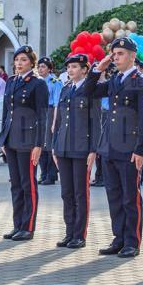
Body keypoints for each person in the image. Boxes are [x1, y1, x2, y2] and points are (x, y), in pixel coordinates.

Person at [85, 37, 143, 258]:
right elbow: (88, 92)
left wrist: (141, 150)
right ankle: (119, 238)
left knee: (130, 197)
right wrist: (98, 69)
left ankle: (132, 241)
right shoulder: (115, 79)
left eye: (120, 53)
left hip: (130, 148)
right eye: (113, 54)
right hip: (110, 147)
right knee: (114, 196)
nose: (116, 57)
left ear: (133, 56)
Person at [0, 45, 49, 242]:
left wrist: (39, 144)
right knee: (16, 184)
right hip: (11, 138)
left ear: (32, 63)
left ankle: (28, 227)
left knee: (28, 184)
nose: (19, 63)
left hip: (28, 141)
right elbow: (6, 112)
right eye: (17, 60)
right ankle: (17, 224)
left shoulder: (38, 84)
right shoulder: (11, 81)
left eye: (23, 60)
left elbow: (43, 116)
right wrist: (3, 136)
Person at [52, 53, 98, 249]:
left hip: (81, 148)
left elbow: (96, 122)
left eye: (75, 67)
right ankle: (69, 232)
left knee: (81, 193)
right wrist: (55, 145)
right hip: (63, 147)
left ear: (85, 69)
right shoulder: (65, 89)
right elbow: (59, 121)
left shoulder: (90, 90)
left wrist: (93, 149)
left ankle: (79, 235)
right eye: (68, 67)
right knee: (66, 192)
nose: (70, 70)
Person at [38, 57, 63, 185]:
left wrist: (54, 122)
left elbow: (57, 103)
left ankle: (51, 175)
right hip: (40, 112)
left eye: (43, 66)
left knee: (49, 145)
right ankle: (43, 173)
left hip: (51, 111)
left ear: (49, 68)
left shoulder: (55, 81)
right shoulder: (38, 81)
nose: (40, 69)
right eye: (39, 66)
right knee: (41, 144)